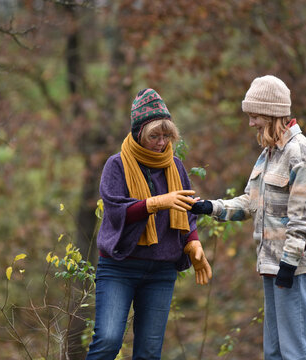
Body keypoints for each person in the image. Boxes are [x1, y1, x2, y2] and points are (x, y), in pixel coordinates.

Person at [191, 75, 306, 360]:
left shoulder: (299, 153)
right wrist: (209, 207)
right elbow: (251, 203)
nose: (250, 123)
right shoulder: (269, 154)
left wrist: (288, 265)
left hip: (294, 268)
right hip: (272, 264)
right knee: (274, 352)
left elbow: (303, 219)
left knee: (296, 353)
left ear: (271, 114)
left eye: (254, 116)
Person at [86, 88, 212, 360]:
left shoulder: (175, 166)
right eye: (154, 135)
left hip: (161, 271)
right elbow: (118, 212)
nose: (161, 142)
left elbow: (186, 211)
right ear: (138, 133)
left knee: (149, 352)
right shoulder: (116, 165)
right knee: (107, 341)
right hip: (120, 266)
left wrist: (193, 244)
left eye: (167, 136)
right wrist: (156, 202)